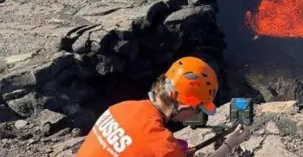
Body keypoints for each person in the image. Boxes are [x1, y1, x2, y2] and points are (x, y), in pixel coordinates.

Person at [76, 56, 251, 157]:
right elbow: (153, 145)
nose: (194, 115)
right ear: (183, 107)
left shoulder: (120, 108)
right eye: (197, 109)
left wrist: (175, 150)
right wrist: (229, 144)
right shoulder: (162, 147)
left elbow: (135, 141)